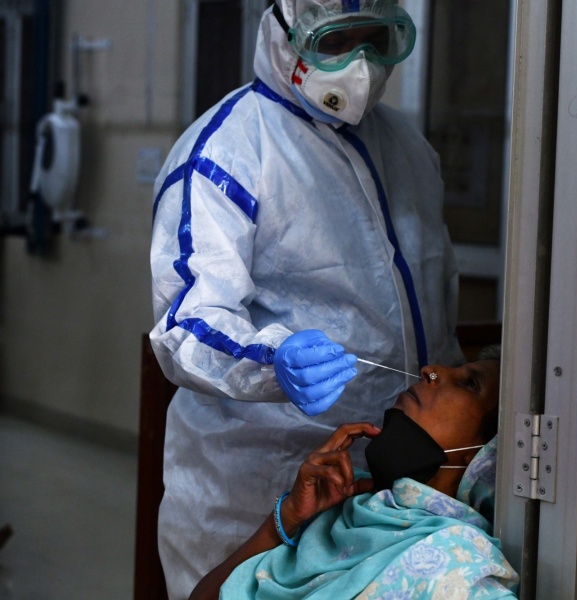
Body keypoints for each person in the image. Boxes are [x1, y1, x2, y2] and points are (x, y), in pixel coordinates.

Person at [149, 1, 462, 597]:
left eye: (378, 41)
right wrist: (274, 361)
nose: (363, 66)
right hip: (251, 488)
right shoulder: (228, 152)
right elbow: (185, 324)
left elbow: (435, 294)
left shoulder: (408, 149)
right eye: (341, 41)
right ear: (289, 34)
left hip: (385, 489)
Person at [189, 354, 518, 599]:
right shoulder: (350, 510)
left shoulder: (462, 572)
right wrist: (287, 519)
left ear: (487, 452)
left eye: (469, 383)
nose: (430, 371)